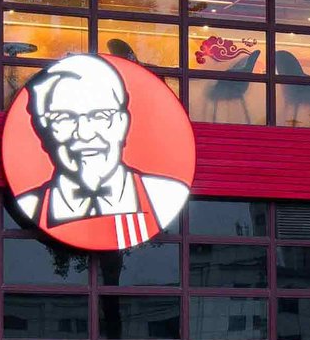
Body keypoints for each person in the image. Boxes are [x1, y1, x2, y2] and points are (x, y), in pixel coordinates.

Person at [13, 51, 190, 250]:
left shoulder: (164, 196)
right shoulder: (31, 204)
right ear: (43, 132)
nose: (85, 133)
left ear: (123, 124)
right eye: (64, 118)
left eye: (100, 116)